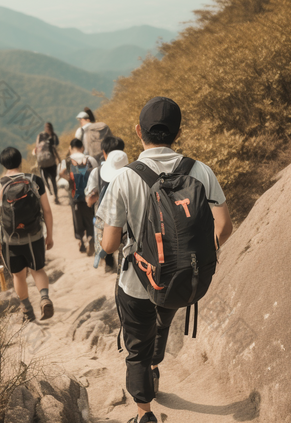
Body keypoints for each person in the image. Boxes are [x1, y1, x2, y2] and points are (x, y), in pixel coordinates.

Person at [98, 97, 233, 423]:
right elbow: (225, 225)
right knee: (163, 320)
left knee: (136, 350)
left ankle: (145, 412)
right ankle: (156, 365)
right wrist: (198, 252)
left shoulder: (125, 178)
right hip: (183, 275)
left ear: (137, 131)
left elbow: (110, 243)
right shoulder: (200, 170)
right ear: (178, 131)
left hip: (136, 282)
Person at [0, 147, 55, 323]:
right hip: (34, 235)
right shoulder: (34, 180)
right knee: (37, 269)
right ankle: (45, 298)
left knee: (18, 275)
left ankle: (27, 309)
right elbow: (47, 211)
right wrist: (49, 236)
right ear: (20, 161)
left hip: (10, 241)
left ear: (3, 164)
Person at [86, 135, 126, 272]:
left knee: (107, 244)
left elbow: (89, 201)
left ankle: (109, 264)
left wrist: (92, 198)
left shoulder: (96, 172)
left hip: (106, 219)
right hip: (128, 217)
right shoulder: (131, 171)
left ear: (104, 152)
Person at [59, 138, 99, 256]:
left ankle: (81, 241)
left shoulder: (66, 161)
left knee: (77, 219)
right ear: (82, 148)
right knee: (89, 216)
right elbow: (96, 173)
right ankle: (91, 236)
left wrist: (69, 180)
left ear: (71, 148)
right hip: (89, 195)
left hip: (74, 196)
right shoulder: (89, 159)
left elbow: (61, 173)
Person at [34, 123, 61, 204]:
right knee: (53, 180)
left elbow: (36, 149)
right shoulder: (52, 137)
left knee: (45, 180)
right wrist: (59, 160)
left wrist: (37, 162)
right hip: (51, 163)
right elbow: (55, 147)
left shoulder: (40, 136)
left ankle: (49, 192)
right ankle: (56, 196)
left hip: (42, 163)